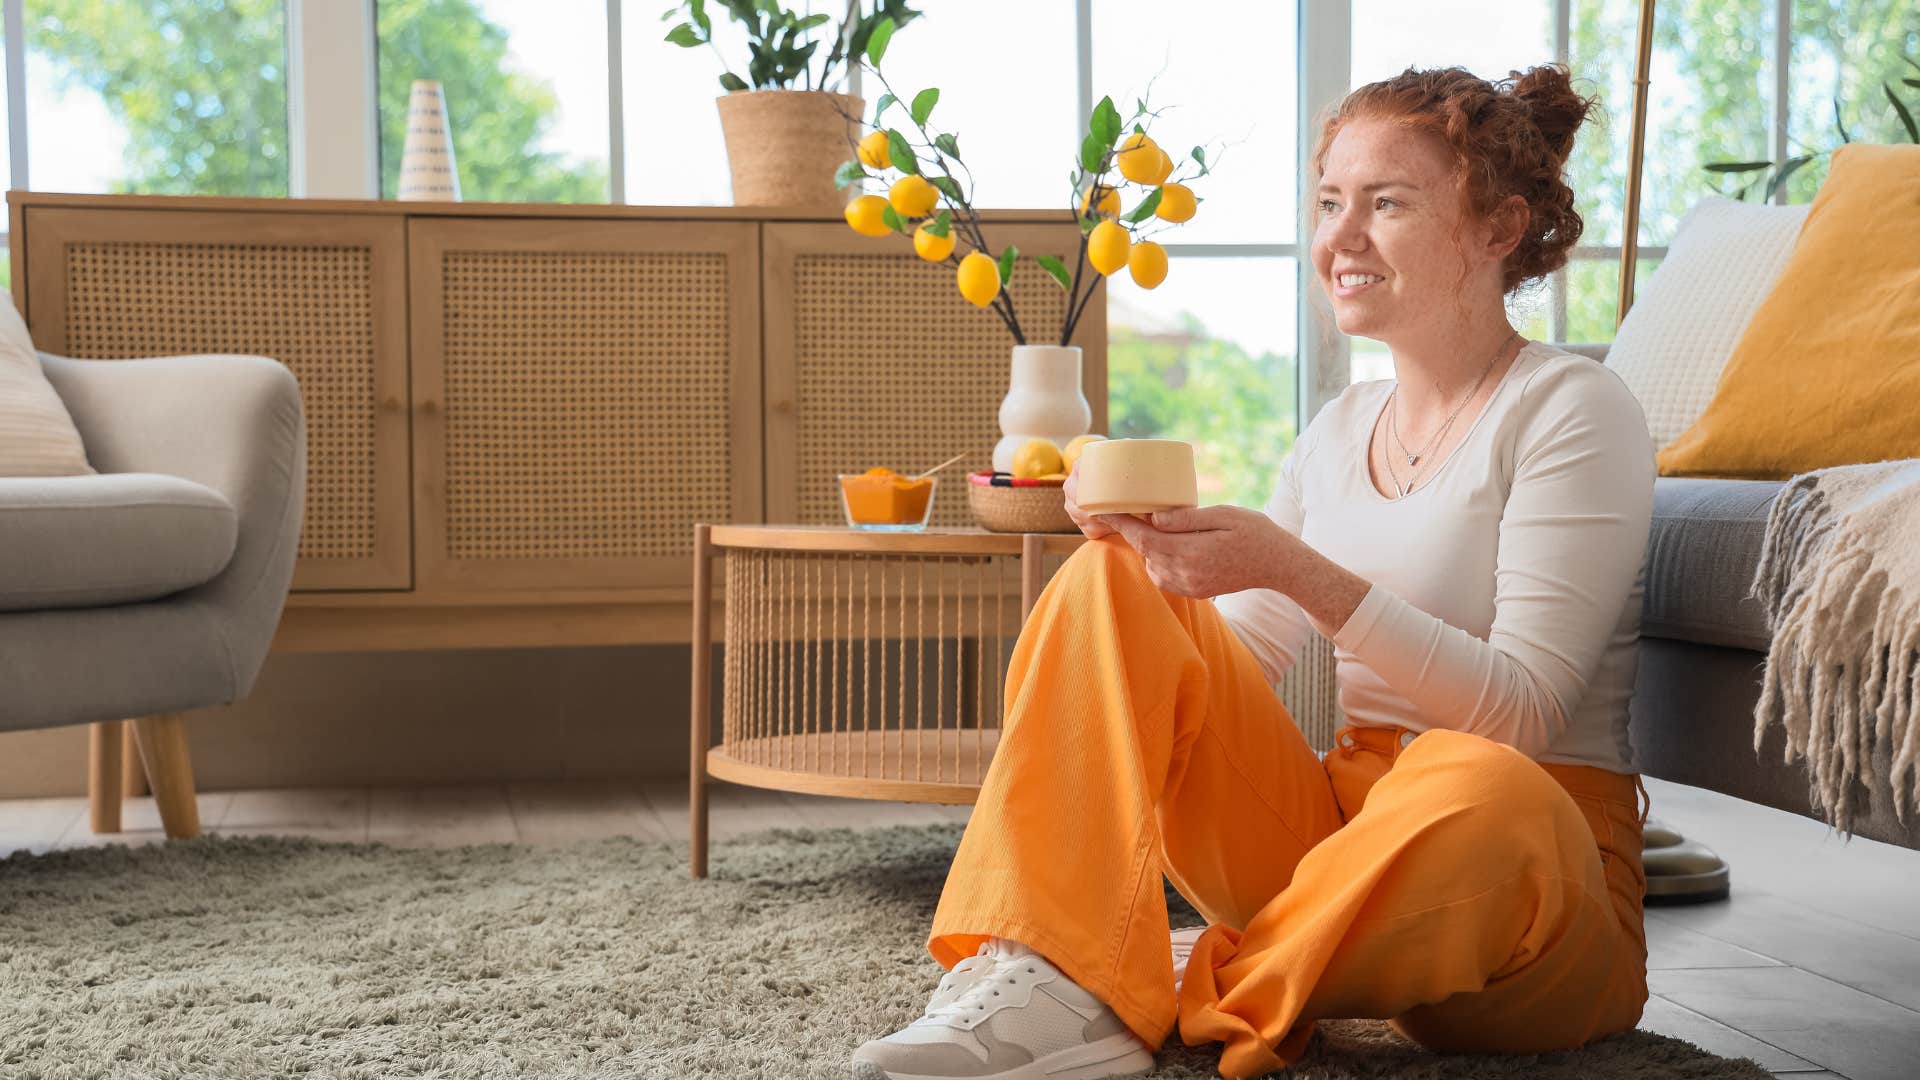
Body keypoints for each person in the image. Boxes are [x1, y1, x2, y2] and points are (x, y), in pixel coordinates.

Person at [852, 63, 1656, 1080]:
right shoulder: (1336, 430)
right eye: (1329, 203)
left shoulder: (1573, 408)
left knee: (1479, 779)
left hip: (1524, 878)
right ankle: (1049, 965)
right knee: (1108, 584)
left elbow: (1525, 713)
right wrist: (1157, 564)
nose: (1341, 238)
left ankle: (1158, 985)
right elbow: (1221, 668)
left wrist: (1295, 568)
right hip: (1326, 844)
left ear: (1498, 228)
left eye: (1386, 203)